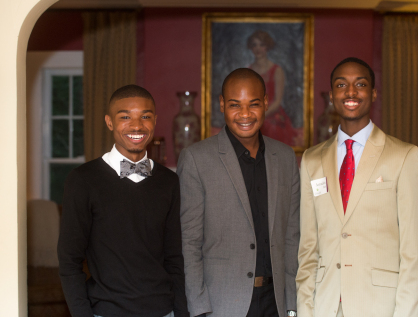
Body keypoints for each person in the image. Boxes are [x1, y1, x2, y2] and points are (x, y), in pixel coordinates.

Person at [296, 57, 418, 317]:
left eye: (361, 84)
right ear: (332, 95)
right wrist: (305, 310)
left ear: (374, 93)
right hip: (325, 306)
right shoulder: (311, 160)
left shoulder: (403, 156)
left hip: (381, 307)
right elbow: (308, 249)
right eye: (341, 85)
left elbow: (414, 254)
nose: (351, 92)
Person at [58, 85, 189, 317]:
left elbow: (175, 259)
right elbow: (69, 261)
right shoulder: (83, 180)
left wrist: (181, 313)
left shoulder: (169, 181)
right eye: (125, 117)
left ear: (155, 120)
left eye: (145, 117)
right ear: (109, 122)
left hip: (164, 312)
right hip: (105, 312)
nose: (137, 125)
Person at [178, 68, 300, 317]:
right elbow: (188, 243)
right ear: (222, 104)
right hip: (221, 305)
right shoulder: (196, 159)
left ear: (266, 103)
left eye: (253, 104)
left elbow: (292, 237)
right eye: (235, 105)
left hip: (276, 303)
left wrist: (292, 305)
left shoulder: (286, 158)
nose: (245, 114)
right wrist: (199, 310)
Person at [247, 30, 299, 146]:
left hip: (272, 112)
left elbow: (277, 100)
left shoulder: (277, 70)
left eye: (262, 45)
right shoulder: (248, 71)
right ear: (250, 47)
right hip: (253, 112)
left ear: (267, 47)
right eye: (254, 45)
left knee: (270, 127)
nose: (258, 48)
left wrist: (261, 115)